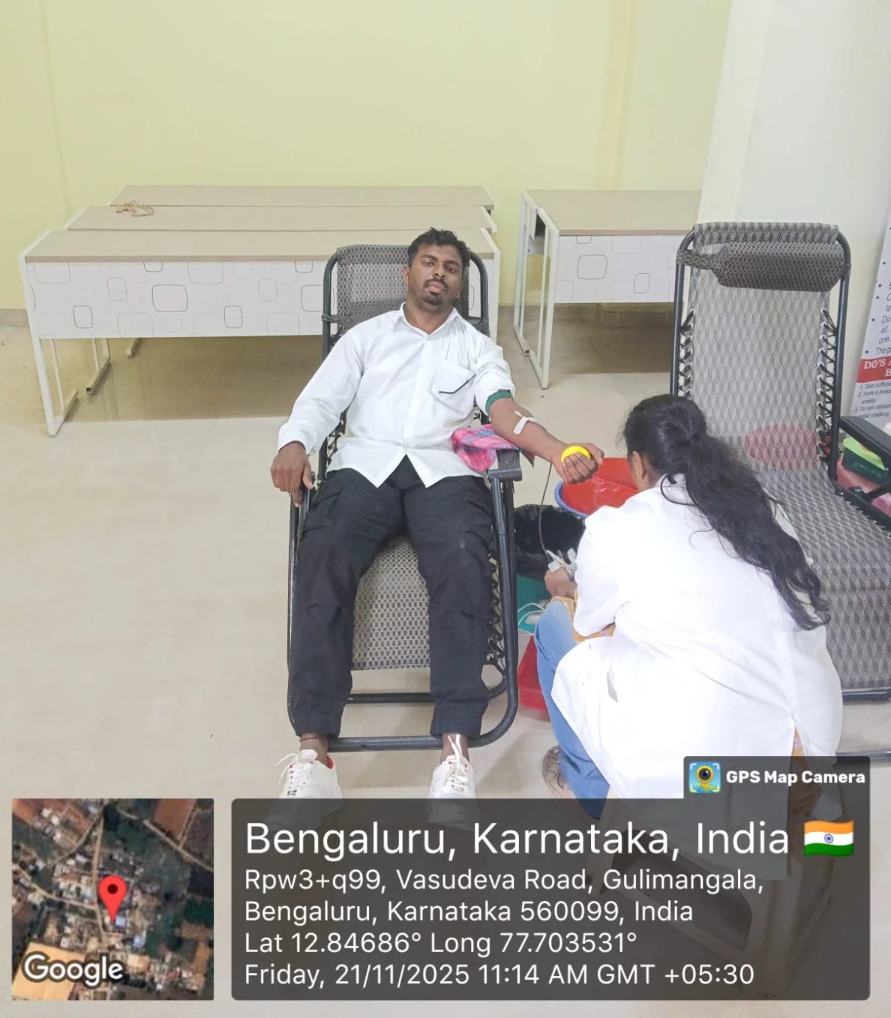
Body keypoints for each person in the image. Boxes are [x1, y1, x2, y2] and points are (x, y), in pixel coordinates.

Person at [271, 227, 603, 802]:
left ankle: (454, 755)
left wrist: (557, 451)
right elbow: (320, 400)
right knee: (321, 560)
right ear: (408, 274)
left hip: (443, 473)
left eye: (451, 268)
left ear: (459, 285)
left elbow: (504, 411)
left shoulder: (476, 348)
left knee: (465, 569)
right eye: (429, 262)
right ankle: (314, 754)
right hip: (364, 466)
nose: (439, 273)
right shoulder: (365, 337)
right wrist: (295, 442)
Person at [535, 394, 843, 801]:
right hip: (810, 748)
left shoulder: (616, 527)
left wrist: (570, 586)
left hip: (702, 776)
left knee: (557, 624)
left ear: (638, 463)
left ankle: (590, 791)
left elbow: (590, 620)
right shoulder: (763, 507)